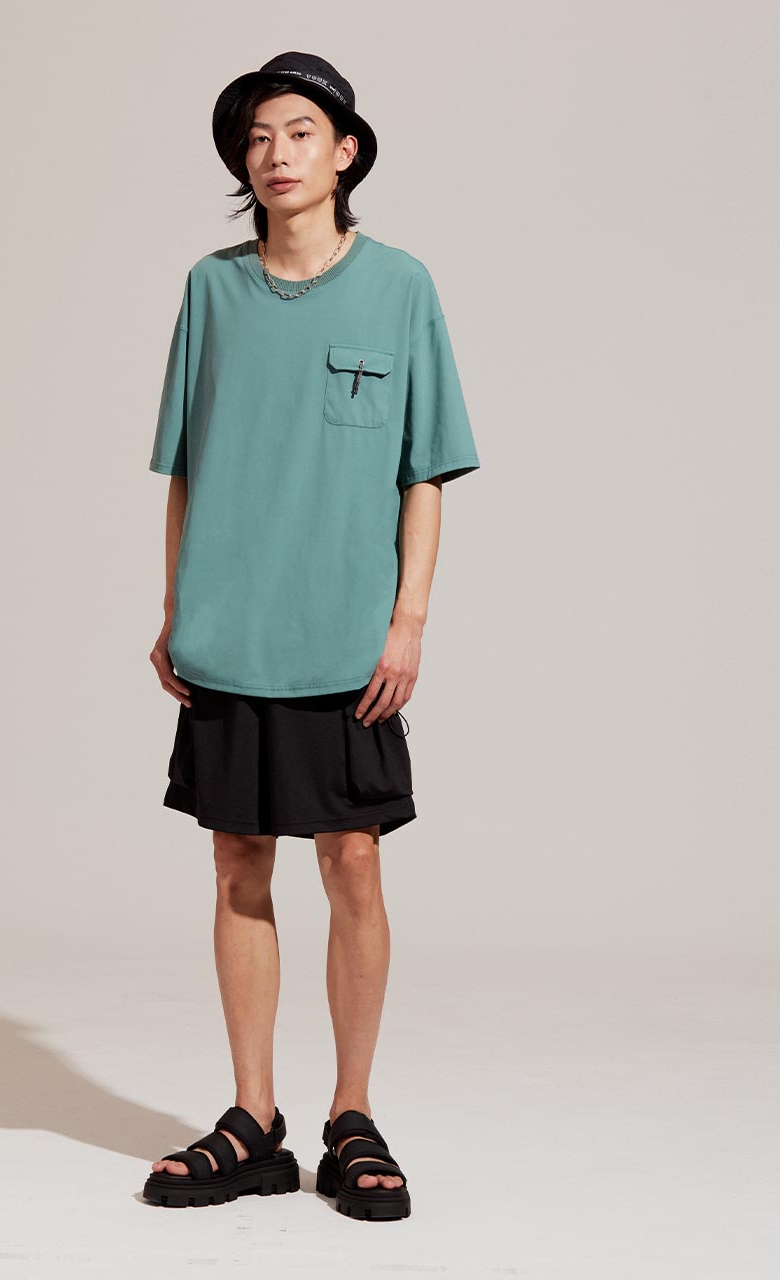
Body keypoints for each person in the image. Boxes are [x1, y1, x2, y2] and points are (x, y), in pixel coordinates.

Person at [142, 52, 480, 1221]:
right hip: (228, 628)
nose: (274, 152)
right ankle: (252, 1118)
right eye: (255, 137)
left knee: (352, 860)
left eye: (296, 131)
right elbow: (185, 466)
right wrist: (175, 606)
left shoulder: (399, 287)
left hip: (345, 637)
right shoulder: (211, 289)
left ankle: (351, 1114)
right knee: (237, 860)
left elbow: (425, 469)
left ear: (344, 151)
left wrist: (408, 617)